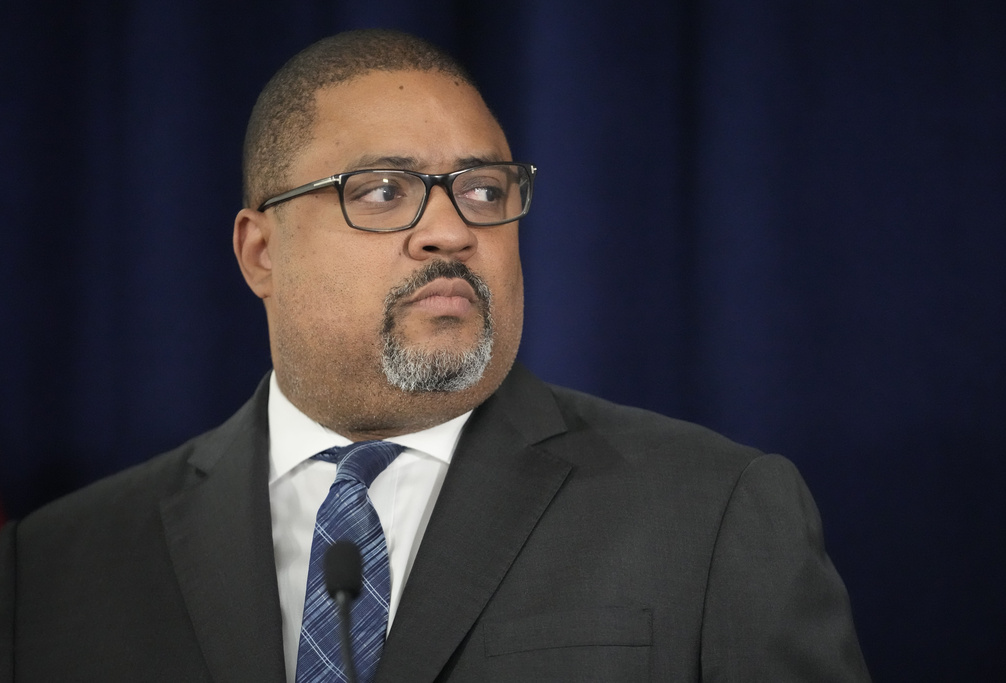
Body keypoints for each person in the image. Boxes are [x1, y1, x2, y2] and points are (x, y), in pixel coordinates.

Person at [0, 29, 870, 682]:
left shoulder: (713, 513)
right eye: (384, 191)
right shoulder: (54, 566)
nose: (452, 229)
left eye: (485, 189)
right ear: (260, 252)